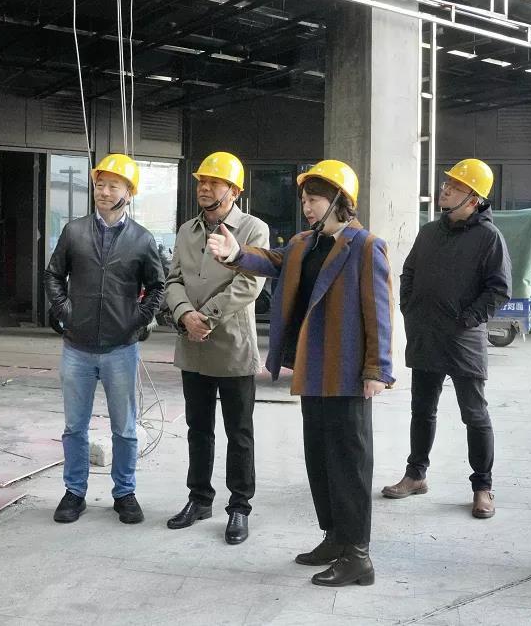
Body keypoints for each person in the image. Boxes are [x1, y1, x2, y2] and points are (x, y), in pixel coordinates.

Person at [207, 159, 395, 587]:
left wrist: (377, 370)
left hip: (348, 374)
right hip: (313, 371)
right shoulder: (304, 243)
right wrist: (235, 253)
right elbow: (273, 260)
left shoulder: (366, 246)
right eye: (305, 200)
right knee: (320, 460)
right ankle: (334, 537)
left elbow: (380, 312)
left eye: (314, 200)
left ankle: (358, 555)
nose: (306, 207)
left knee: (349, 465)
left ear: (339, 200)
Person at [382, 158, 510, 519]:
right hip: (425, 335)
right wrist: (409, 307)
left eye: (455, 187)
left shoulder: (489, 238)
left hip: (463, 340)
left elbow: (498, 290)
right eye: (446, 184)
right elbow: (408, 272)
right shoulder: (429, 232)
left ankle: (482, 487)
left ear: (473, 199)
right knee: (422, 410)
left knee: (474, 414)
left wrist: (467, 319)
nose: (445, 190)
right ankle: (415, 475)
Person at [44, 153, 164, 525]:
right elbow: (53, 275)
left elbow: (157, 286)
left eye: (113, 185)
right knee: (74, 428)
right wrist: (65, 311)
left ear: (129, 192)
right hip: (77, 348)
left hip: (120, 349)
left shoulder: (142, 239)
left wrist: (137, 320)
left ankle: (124, 493)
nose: (104, 191)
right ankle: (74, 492)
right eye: (100, 184)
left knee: (124, 429)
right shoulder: (74, 232)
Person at [164, 152, 269, 546]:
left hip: (232, 346)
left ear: (234, 191)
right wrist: (184, 315)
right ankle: (199, 499)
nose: (204, 188)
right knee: (198, 429)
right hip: (192, 345)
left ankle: (239, 506)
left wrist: (204, 318)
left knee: (239, 432)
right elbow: (173, 279)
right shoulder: (186, 231)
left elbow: (249, 284)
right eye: (201, 182)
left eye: (213, 182)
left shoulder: (253, 229)